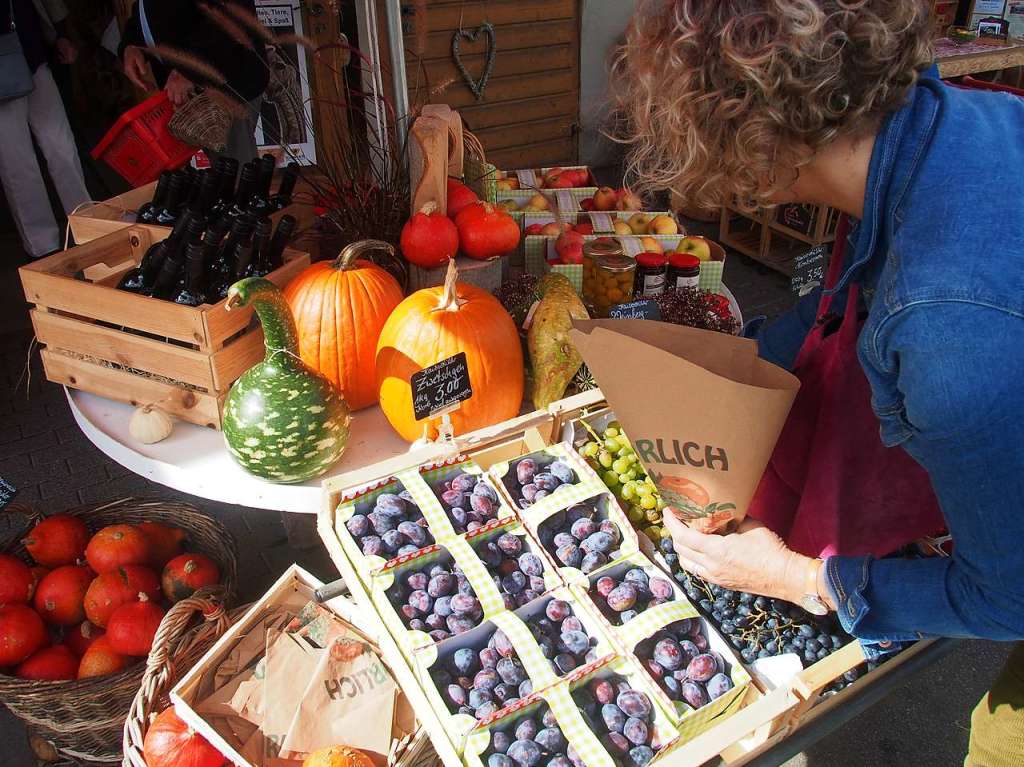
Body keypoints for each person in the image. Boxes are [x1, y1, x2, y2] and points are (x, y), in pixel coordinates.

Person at [610, 1, 1024, 764]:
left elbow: (1007, 595)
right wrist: (729, 368)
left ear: (754, 148)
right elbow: (842, 307)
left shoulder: (942, 322)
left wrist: (798, 576)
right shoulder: (948, 126)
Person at [118, 0, 268, 163]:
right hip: (190, 94)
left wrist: (188, 71)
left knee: (234, 170)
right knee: (220, 173)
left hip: (225, 84)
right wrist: (130, 45)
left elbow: (229, 15)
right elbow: (147, 9)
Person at [0, 0, 89, 259]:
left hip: (34, 51)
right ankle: (42, 246)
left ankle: (87, 223)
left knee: (61, 145)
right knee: (18, 162)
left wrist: (61, 34)